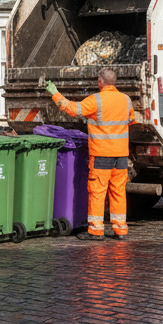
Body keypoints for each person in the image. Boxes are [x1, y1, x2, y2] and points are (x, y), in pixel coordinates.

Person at [46, 68, 135, 240]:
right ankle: (120, 230)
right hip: (121, 154)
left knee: (97, 191)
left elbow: (71, 109)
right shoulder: (126, 100)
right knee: (118, 192)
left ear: (100, 82)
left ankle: (95, 230)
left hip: (102, 154)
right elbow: (130, 120)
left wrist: (55, 93)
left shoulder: (97, 100)